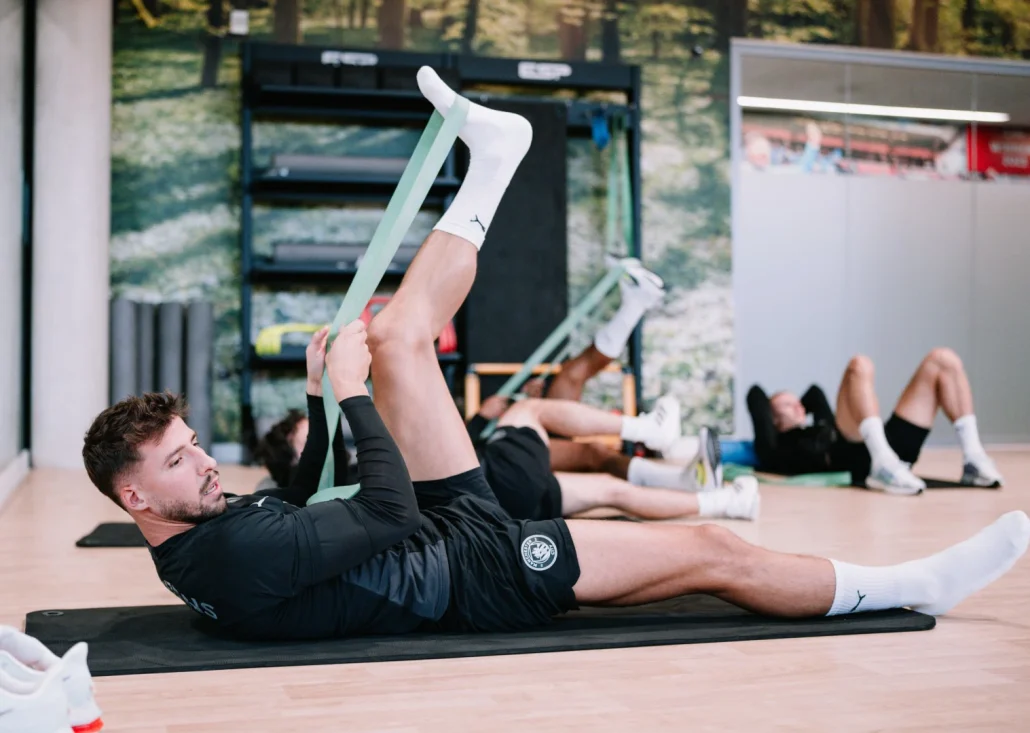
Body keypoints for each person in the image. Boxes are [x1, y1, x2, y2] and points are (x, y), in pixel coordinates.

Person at [82, 68, 1028, 643]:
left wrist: (330, 401)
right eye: (179, 459)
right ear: (135, 499)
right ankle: (910, 587)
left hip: (440, 536)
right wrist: (350, 399)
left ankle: (492, 156)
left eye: (194, 441)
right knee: (713, 553)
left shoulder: (203, 538)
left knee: (403, 339)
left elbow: (314, 512)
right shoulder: (233, 548)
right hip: (479, 570)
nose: (204, 459)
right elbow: (381, 503)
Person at [748, 350, 1004, 494]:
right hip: (849, 451)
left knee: (942, 360)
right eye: (786, 404)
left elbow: (813, 393)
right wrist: (779, 410)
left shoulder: (820, 421)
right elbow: (755, 395)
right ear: (771, 418)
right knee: (859, 365)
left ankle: (973, 458)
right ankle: (882, 466)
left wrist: (794, 407)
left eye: (798, 402)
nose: (798, 405)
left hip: (888, 447)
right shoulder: (774, 447)